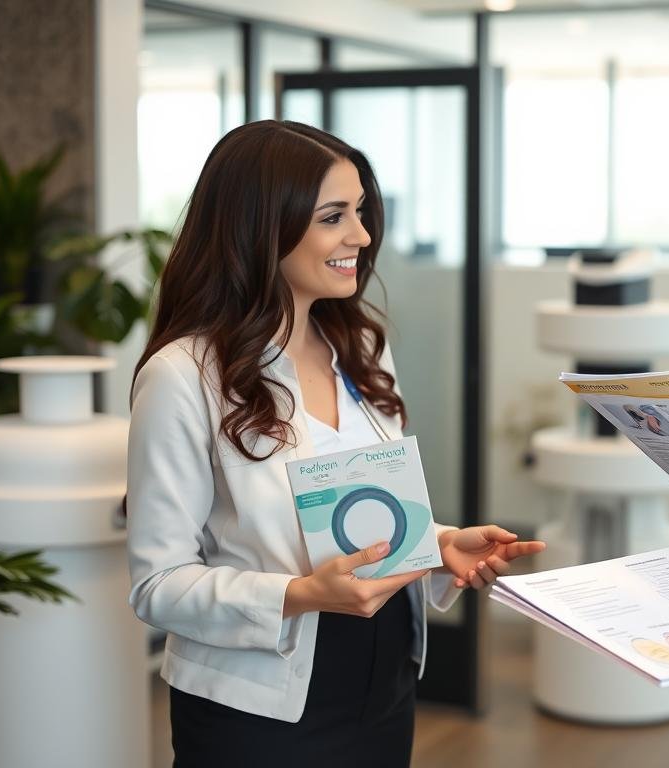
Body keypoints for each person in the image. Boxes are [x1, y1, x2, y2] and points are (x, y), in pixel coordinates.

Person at [126, 120, 544, 766]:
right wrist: (299, 595)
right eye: (334, 217)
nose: (363, 236)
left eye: (361, 212)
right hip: (258, 710)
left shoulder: (363, 348)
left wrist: (438, 544)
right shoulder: (182, 377)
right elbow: (158, 584)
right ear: (262, 226)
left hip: (383, 687)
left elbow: (360, 515)